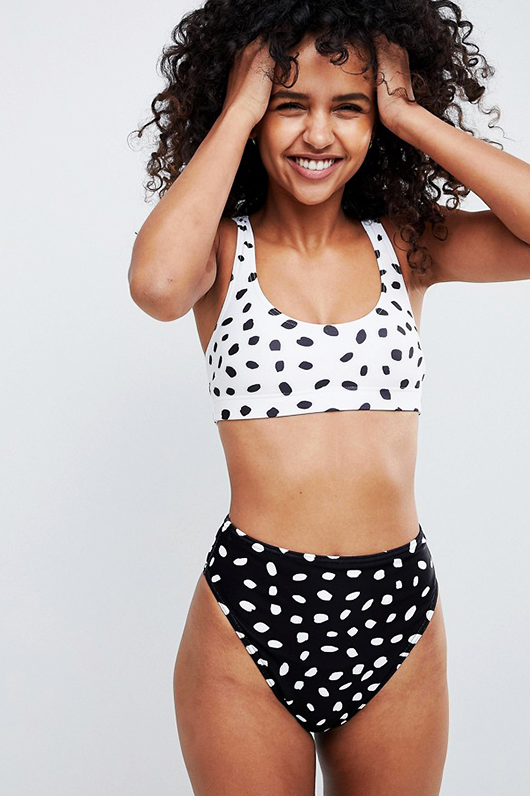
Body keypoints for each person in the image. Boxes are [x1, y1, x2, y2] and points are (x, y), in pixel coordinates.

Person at [128, 1, 530, 793]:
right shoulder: (221, 250)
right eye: (289, 105)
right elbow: (157, 286)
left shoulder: (407, 243)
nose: (318, 134)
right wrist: (241, 105)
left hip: (396, 609)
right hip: (252, 611)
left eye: (348, 107)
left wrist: (410, 116)